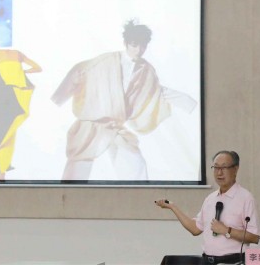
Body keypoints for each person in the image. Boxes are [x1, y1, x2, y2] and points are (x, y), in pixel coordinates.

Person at [51, 20, 196, 180]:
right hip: (90, 126)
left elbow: (156, 90)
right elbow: (79, 72)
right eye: (134, 45)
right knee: (77, 169)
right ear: (126, 43)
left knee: (136, 165)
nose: (139, 50)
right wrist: (58, 99)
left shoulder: (145, 69)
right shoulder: (106, 61)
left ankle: (138, 196)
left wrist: (190, 103)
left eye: (143, 46)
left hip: (115, 128)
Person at [155, 151, 260, 264]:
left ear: (235, 169)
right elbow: (195, 229)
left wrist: (227, 230)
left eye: (224, 167)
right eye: (216, 167)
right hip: (207, 261)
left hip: (233, 261)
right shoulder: (210, 199)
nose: (219, 172)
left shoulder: (245, 198)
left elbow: (256, 237)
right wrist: (173, 207)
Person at [0, 49, 42, 180]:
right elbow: (37, 68)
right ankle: (3, 169)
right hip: (16, 93)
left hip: (1, 91)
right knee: (9, 129)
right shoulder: (18, 54)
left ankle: (2, 171)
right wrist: (22, 72)